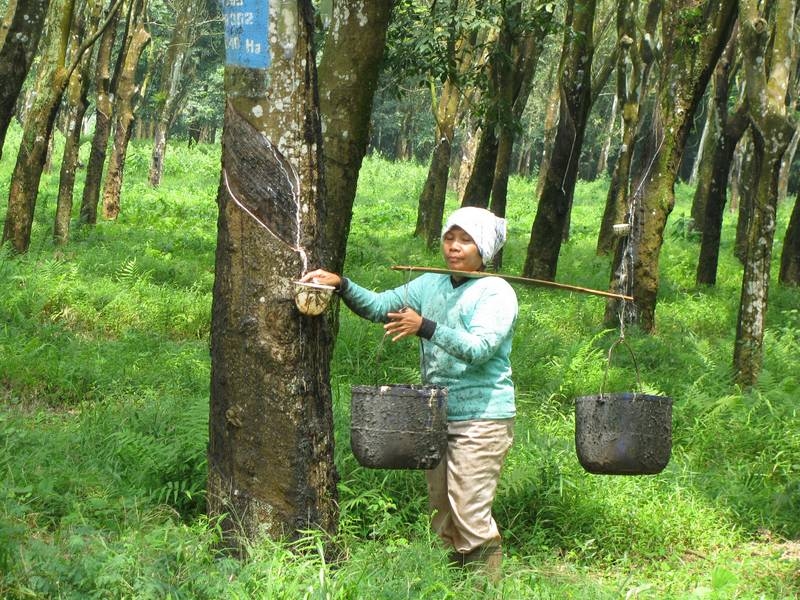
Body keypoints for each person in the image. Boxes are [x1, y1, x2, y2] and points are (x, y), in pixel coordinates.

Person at [301, 206, 518, 580]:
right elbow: (382, 306)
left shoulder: (496, 292)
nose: (454, 247)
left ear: (484, 249)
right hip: (435, 415)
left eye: (466, 240)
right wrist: (341, 284)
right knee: (442, 510)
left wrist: (426, 327)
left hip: (482, 418)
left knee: (469, 509)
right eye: (450, 237)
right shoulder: (429, 283)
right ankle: (453, 584)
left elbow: (479, 348)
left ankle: (485, 586)